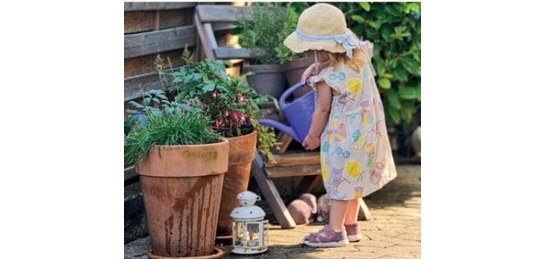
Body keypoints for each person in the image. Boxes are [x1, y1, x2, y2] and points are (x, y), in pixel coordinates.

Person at [283, 3, 398, 247]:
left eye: (313, 50)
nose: (311, 54)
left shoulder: (328, 78)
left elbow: (322, 110)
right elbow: (335, 60)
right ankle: (350, 225)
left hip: (343, 136)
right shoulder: (359, 55)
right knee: (354, 178)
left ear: (322, 49)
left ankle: (334, 231)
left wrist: (313, 137)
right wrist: (316, 67)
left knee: (340, 183)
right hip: (368, 132)